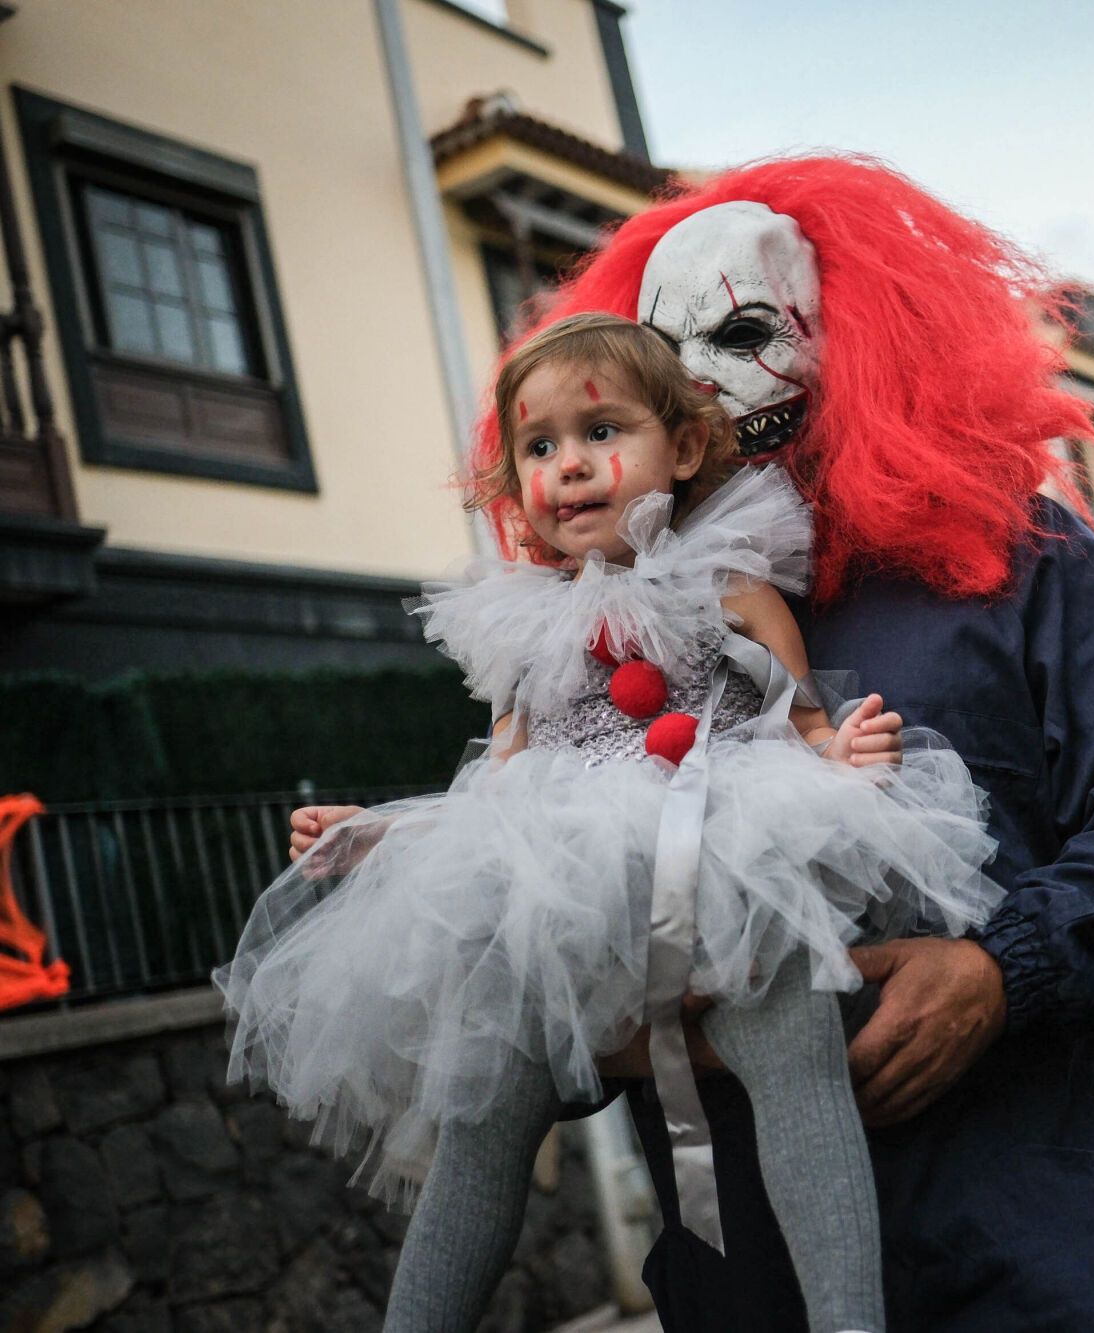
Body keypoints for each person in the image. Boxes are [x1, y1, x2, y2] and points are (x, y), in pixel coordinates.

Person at [528, 156, 1094, 1330]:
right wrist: (619, 1030)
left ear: (854, 334)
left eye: (746, 334)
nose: (705, 387)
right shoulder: (584, 635)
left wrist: (998, 972)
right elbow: (527, 933)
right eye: (668, 359)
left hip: (1035, 1262)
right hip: (749, 1282)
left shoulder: (1011, 558)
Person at [219, 314, 1005, 1333]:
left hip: (725, 851)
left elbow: (797, 719)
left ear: (678, 449)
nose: (572, 467)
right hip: (567, 893)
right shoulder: (522, 627)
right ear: (518, 489)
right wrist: (387, 834)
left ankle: (849, 1322)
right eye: (540, 448)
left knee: (794, 1048)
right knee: (485, 1110)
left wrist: (841, 759)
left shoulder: (731, 587)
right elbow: (498, 788)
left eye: (601, 433)